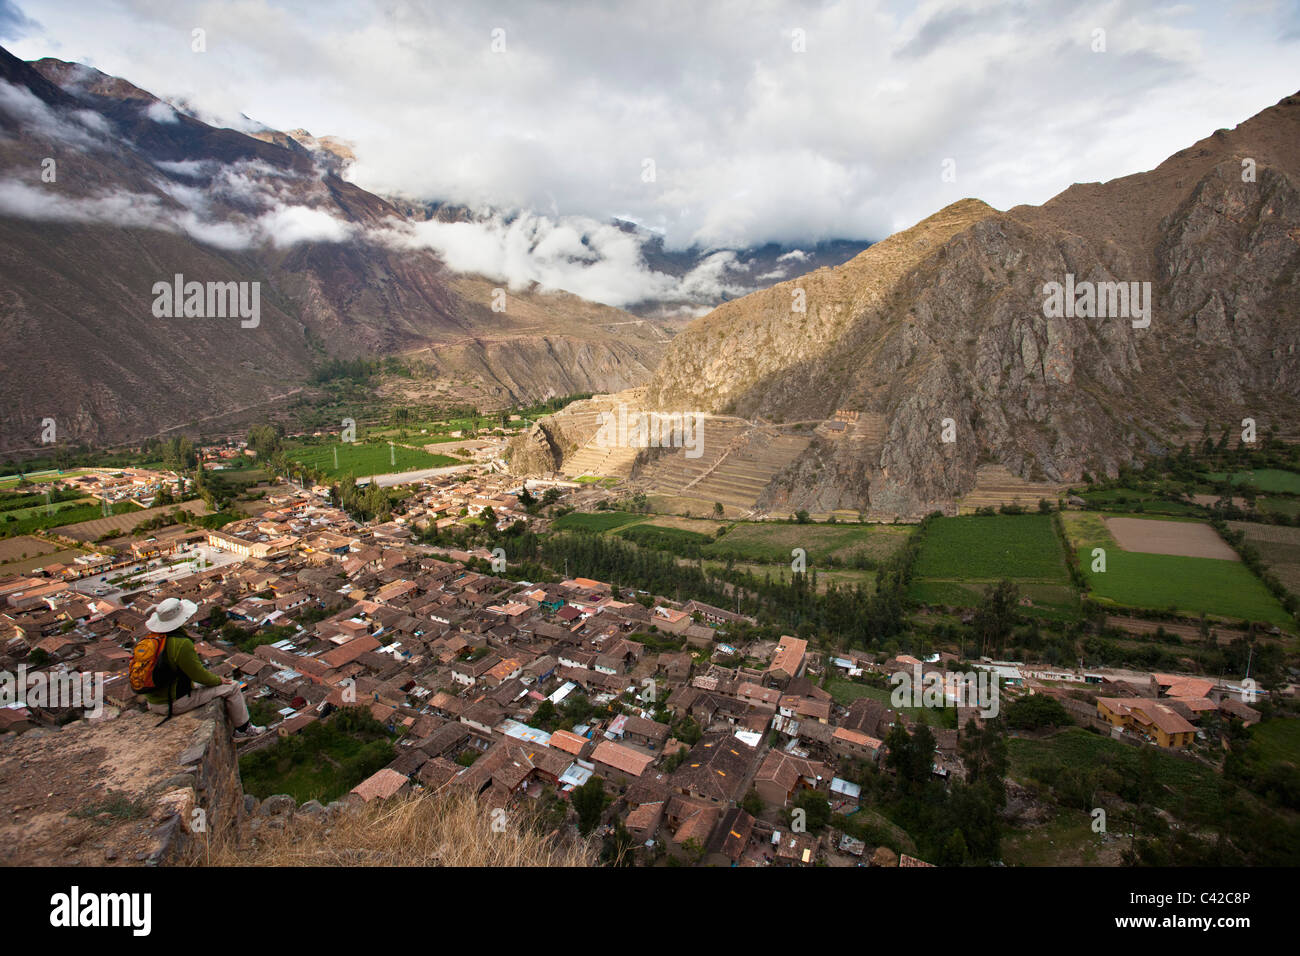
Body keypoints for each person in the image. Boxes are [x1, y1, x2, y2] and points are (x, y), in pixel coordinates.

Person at [140, 597, 264, 738]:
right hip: (173, 702)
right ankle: (244, 729)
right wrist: (218, 680)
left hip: (154, 702)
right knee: (233, 687)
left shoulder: (149, 641)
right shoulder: (180, 643)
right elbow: (198, 675)